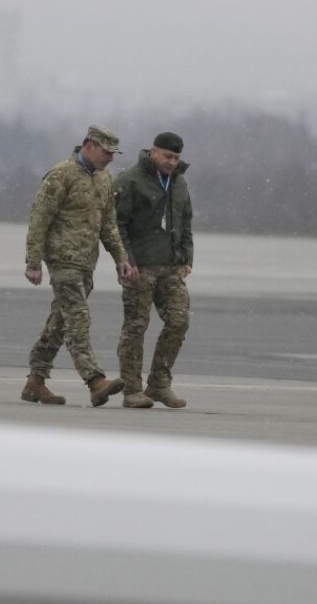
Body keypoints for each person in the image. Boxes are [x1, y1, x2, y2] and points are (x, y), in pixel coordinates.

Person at [22, 125, 136, 407]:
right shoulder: (61, 175)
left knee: (59, 323)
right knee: (78, 320)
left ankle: (35, 381)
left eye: (113, 154)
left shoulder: (103, 179)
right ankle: (95, 381)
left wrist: (121, 258)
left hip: (86, 263)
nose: (110, 159)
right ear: (89, 146)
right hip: (63, 261)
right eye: (106, 153)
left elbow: (108, 224)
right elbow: (39, 219)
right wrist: (33, 262)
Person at [114, 131, 194, 409]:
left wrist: (187, 258)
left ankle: (159, 383)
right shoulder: (130, 180)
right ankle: (132, 389)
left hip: (170, 266)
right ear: (153, 152)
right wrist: (126, 260)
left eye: (176, 158)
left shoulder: (179, 183)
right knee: (136, 326)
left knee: (179, 320)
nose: (172, 162)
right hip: (140, 266)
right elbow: (117, 225)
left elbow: (185, 222)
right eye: (167, 156)